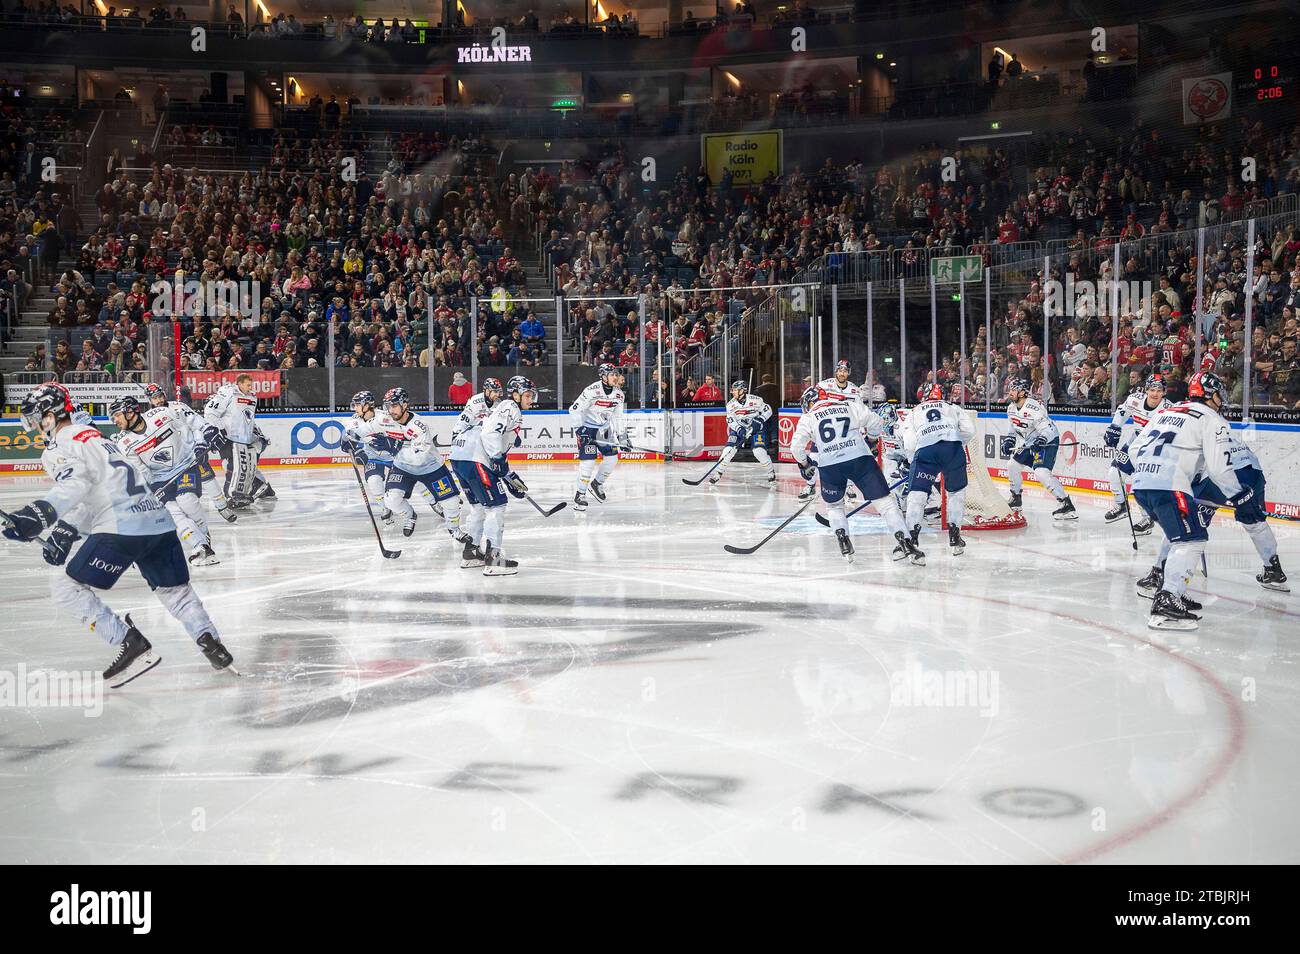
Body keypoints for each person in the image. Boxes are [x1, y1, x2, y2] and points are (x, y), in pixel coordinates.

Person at [1, 384, 233, 687]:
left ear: (49, 415)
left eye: (35, 419)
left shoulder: (58, 446)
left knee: (64, 587)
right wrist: (66, 532)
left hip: (122, 526)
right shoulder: (98, 438)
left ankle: (130, 642)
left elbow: (76, 486)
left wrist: (37, 515)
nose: (34, 427)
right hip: (159, 522)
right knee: (175, 593)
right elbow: (101, 489)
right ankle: (213, 646)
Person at [1131, 372, 1253, 631]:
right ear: (1210, 394)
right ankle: (1166, 601)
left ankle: (1172, 588)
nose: (1222, 398)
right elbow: (1219, 469)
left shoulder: (1168, 411)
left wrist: (1154, 473)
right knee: (1191, 540)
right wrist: (1239, 495)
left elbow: (1134, 448)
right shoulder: (1212, 419)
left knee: (1182, 537)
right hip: (1169, 487)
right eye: (1219, 393)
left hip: (1142, 486)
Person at [790, 386, 921, 565]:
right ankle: (905, 542)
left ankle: (843, 542)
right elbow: (876, 421)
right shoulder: (849, 405)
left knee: (835, 506)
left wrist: (805, 464)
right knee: (886, 503)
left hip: (830, 464)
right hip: (860, 458)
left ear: (809, 402)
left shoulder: (808, 417)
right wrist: (872, 440)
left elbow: (796, 447)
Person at [110, 395, 218, 567]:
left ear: (130, 412)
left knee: (186, 500)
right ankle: (200, 547)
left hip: (185, 465)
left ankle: (204, 536)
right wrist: (150, 489)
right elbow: (141, 470)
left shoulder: (161, 414)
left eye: (116, 415)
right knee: (171, 511)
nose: (114, 420)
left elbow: (190, 421)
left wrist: (201, 439)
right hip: (159, 478)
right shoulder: (125, 443)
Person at [348, 387, 466, 542]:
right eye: (388, 406)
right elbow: (365, 429)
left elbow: (419, 459)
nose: (391, 410)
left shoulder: (419, 425)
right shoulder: (386, 419)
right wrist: (349, 437)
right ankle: (410, 515)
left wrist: (394, 445)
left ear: (405, 405)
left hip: (431, 467)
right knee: (391, 500)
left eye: (394, 405)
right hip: (402, 467)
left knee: (452, 502)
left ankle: (454, 529)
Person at [459, 375, 538, 575]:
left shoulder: (503, 408)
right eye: (527, 395)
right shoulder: (510, 407)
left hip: (462, 459)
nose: (531, 400)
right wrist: (498, 461)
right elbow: (489, 437)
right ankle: (493, 560)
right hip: (477, 459)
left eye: (532, 396)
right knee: (497, 506)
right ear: (515, 395)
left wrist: (509, 477)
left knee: (478, 507)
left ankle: (471, 553)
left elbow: (498, 451)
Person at [897, 384, 975, 555]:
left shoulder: (915, 411)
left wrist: (914, 460)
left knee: (917, 494)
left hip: (926, 453)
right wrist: (954, 444)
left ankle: (911, 537)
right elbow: (969, 431)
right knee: (956, 493)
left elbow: (909, 442)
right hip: (953, 450)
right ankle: (955, 536)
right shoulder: (953, 407)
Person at [144, 382, 235, 523]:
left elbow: (196, 424)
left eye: (160, 396)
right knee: (180, 494)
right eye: (155, 398)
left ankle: (222, 506)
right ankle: (183, 516)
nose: (159, 400)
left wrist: (200, 444)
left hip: (191, 453)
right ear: (149, 400)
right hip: (170, 462)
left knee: (207, 477)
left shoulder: (178, 407)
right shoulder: (148, 418)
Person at [448, 377, 504, 567]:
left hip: (468, 457)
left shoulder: (498, 405)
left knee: (478, 508)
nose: (496, 395)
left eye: (498, 392)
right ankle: (492, 554)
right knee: (493, 507)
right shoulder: (475, 402)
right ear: (486, 391)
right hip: (472, 455)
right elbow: (461, 425)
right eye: (494, 391)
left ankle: (471, 553)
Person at [1001, 378, 1076, 519]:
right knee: (1013, 464)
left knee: (1041, 472)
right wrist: (1009, 441)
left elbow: (1048, 429)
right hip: (1030, 442)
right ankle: (1016, 498)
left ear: (1022, 393)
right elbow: (1013, 427)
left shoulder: (1034, 408)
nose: (1010, 392)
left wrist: (1041, 440)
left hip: (1047, 441)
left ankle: (1066, 504)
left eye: (1013, 389)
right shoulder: (1011, 408)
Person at [1103, 373, 1167, 533]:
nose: (1155, 394)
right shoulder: (1134, 400)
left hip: (1154, 448)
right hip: (1135, 441)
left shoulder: (1169, 409)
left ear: (1164, 392)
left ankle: (1148, 518)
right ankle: (1121, 505)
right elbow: (1121, 412)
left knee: (1140, 483)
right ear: (1146, 390)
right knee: (1114, 472)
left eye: (1159, 390)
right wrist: (1114, 428)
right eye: (1152, 389)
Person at [203, 373, 274, 508]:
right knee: (233, 466)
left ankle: (250, 490)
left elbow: (248, 418)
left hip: (245, 438)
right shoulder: (228, 392)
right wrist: (219, 429)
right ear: (239, 383)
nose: (250, 387)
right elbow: (210, 413)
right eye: (247, 384)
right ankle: (233, 495)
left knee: (242, 466)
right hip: (229, 438)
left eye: (250, 384)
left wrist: (253, 436)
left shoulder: (251, 396)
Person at [569, 362, 628, 512]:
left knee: (612, 458)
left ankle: (597, 484)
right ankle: (580, 495)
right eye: (612, 374)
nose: (615, 377)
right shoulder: (591, 391)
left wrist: (623, 436)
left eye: (616, 374)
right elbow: (574, 409)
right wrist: (579, 429)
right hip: (587, 429)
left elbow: (618, 417)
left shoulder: (619, 395)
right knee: (588, 462)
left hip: (604, 430)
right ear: (603, 376)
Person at [341, 390, 397, 525]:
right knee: (373, 481)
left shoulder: (385, 417)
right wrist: (349, 445)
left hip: (394, 455)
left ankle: (434, 501)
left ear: (367, 405)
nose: (355, 408)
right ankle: (385, 508)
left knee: (413, 480)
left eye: (358, 404)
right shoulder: (354, 420)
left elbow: (401, 433)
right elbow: (347, 439)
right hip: (372, 455)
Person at [710, 379, 775, 485]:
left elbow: (769, 410)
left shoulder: (756, 400)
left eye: (735, 390)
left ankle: (770, 471)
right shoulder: (730, 405)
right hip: (739, 429)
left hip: (756, 429)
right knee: (728, 450)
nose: (733, 392)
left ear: (742, 391)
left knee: (759, 451)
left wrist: (760, 419)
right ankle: (718, 472)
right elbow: (730, 420)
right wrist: (739, 429)